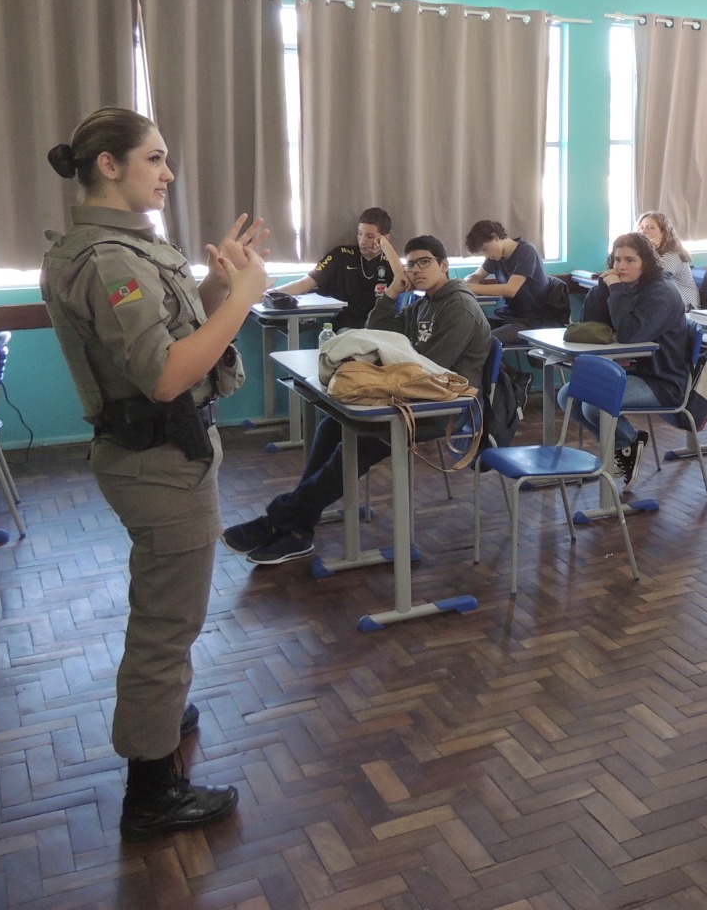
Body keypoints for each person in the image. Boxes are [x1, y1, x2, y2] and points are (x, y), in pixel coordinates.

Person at [40, 107, 268, 842]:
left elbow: (175, 332)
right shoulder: (108, 260)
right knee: (167, 625)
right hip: (159, 462)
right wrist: (244, 300)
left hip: (168, 456)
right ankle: (151, 788)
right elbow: (167, 375)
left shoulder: (129, 246)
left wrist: (216, 287)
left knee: (169, 611)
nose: (168, 173)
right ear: (109, 165)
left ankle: (160, 714)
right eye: (154, 159)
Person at [224, 234, 491, 565]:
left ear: (444, 265)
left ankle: (282, 519)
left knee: (361, 442)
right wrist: (392, 293)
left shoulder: (459, 308)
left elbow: (432, 370)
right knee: (331, 427)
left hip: (443, 407)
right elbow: (378, 333)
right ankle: (298, 526)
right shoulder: (426, 302)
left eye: (425, 262)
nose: (416, 270)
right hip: (412, 396)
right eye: (411, 264)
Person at [564, 231, 692, 489]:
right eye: (617, 260)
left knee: (594, 404)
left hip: (663, 381)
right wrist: (603, 287)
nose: (621, 266)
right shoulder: (627, 286)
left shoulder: (662, 293)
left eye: (630, 260)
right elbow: (589, 323)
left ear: (646, 263)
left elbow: (630, 335)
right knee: (567, 395)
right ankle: (627, 444)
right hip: (635, 371)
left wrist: (616, 289)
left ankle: (625, 446)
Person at [271, 207, 394, 330]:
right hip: (347, 328)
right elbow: (305, 283)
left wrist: (387, 248)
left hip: (380, 329)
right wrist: (271, 293)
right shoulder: (341, 255)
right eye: (360, 233)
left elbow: (401, 280)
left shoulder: (392, 263)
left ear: (386, 238)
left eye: (370, 236)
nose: (362, 241)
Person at [463, 219, 563, 344]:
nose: (486, 255)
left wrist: (472, 287)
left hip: (532, 320)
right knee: (467, 333)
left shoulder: (527, 251)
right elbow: (476, 276)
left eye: (485, 249)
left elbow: (510, 290)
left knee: (484, 342)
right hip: (508, 315)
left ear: (495, 237)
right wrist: (465, 283)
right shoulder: (495, 257)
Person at [636, 210, 699, 309]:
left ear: (663, 233)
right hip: (663, 301)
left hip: (685, 305)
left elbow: (654, 277)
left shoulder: (673, 254)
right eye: (641, 227)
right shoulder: (647, 252)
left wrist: (649, 248)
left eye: (650, 227)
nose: (643, 231)